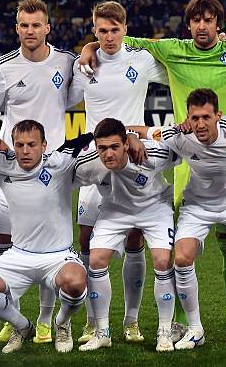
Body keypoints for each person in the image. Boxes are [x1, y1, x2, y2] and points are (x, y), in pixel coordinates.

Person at [80, 0, 226, 343]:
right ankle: (178, 321)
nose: (203, 26)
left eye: (209, 20)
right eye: (197, 21)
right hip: (185, 163)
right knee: (180, 252)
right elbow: (120, 39)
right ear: (188, 24)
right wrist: (88, 47)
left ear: (219, 24)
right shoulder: (170, 49)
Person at [130, 88, 226, 351]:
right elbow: (143, 130)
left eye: (206, 117)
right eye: (194, 117)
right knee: (182, 258)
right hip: (198, 205)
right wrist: (129, 137)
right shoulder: (180, 135)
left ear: (218, 115)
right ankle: (196, 329)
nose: (200, 124)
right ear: (188, 117)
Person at [0, 0, 81, 345]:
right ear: (16, 28)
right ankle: (14, 318)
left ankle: (43, 320)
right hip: (12, 165)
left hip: (52, 170)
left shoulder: (66, 61)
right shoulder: (3, 66)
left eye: (36, 24)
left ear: (47, 27)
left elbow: (71, 99)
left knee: (49, 250)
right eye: (24, 25)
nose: (30, 31)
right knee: (7, 246)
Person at [69, 1, 169, 344]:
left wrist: (142, 132)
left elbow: (180, 70)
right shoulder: (83, 67)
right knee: (86, 239)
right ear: (94, 31)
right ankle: (92, 321)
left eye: (115, 30)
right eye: (102, 31)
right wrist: (87, 51)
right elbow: (61, 100)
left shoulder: (141, 60)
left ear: (126, 29)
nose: (109, 37)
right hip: (97, 161)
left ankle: (131, 320)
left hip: (132, 156)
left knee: (134, 239)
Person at [0, 120, 97, 354]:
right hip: (18, 256)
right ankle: (22, 326)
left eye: (31, 144)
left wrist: (131, 136)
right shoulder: (1, 164)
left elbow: (95, 136)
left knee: (76, 283)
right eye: (19, 145)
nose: (25, 151)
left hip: (58, 257)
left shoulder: (60, 162)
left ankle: (61, 323)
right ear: (12, 145)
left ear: (44, 145)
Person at [76, 118, 179, 352]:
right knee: (95, 260)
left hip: (155, 207)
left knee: (163, 261)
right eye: (102, 148)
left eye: (114, 147)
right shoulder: (87, 163)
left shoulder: (152, 153)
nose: (108, 154)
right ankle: (103, 332)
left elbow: (181, 148)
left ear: (125, 144)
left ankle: (164, 330)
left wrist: (138, 135)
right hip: (115, 209)